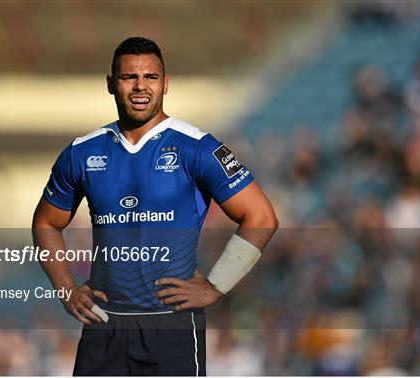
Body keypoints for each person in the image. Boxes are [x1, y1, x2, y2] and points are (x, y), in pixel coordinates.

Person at [32, 37, 278, 376]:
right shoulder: (82, 153)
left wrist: (214, 285)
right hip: (104, 325)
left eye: (150, 77)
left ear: (165, 84)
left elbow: (261, 216)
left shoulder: (198, 148)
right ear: (110, 84)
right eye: (129, 77)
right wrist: (66, 289)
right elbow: (46, 224)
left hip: (171, 325)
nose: (139, 87)